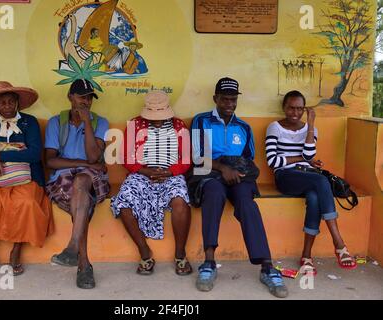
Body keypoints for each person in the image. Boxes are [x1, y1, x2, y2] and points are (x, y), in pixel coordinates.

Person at [189, 77, 288, 298]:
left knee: (246, 201)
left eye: (233, 100)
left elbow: (248, 158)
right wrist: (223, 168)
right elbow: (196, 156)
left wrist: (236, 171)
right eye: (225, 99)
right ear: (215, 98)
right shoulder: (201, 121)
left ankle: (267, 266)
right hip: (209, 173)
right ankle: (209, 262)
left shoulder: (243, 127)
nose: (229, 104)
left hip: (237, 176)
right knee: (213, 193)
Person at [265, 90, 357, 275]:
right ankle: (338, 242)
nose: (295, 113)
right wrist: (301, 159)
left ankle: (306, 257)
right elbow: (273, 162)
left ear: (304, 110)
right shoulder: (274, 127)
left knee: (315, 197)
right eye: (291, 108)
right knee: (320, 180)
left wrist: (311, 124)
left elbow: (309, 156)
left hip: (308, 177)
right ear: (284, 107)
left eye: (299, 109)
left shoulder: (312, 129)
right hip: (285, 177)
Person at [0, 81, 54, 277]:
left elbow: (34, 154)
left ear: (17, 102)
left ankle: (16, 251)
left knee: (24, 202)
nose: (7, 106)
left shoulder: (29, 122)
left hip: (27, 177)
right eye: (2, 103)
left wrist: (2, 156)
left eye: (10, 102)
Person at [110, 90, 193, 276]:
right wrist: (143, 170)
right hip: (141, 174)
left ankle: (180, 254)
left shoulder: (179, 126)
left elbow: (186, 159)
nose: (157, 120)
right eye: (153, 116)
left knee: (180, 200)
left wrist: (170, 171)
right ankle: (145, 252)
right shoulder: (135, 124)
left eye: (160, 116)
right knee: (123, 202)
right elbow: (125, 156)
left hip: (171, 174)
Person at [44, 78, 110, 289]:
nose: (86, 101)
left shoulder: (101, 122)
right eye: (82, 96)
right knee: (81, 201)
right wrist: (82, 163)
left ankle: (73, 247)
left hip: (92, 179)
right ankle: (84, 266)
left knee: (82, 181)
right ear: (70, 97)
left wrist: (87, 123)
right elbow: (51, 160)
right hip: (63, 179)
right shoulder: (57, 122)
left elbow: (93, 157)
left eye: (90, 97)